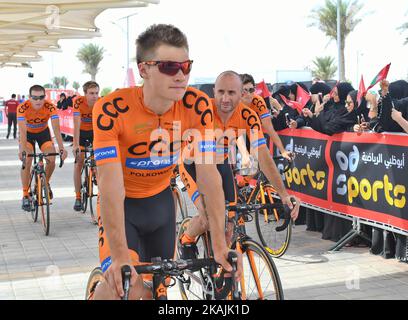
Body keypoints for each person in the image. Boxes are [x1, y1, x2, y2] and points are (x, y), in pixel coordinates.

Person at [91, 24, 242, 300]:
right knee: (125, 287)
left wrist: (220, 245)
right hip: (123, 207)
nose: (181, 75)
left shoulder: (197, 105)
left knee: (158, 295)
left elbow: (209, 175)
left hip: (161, 205)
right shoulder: (111, 109)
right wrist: (121, 256)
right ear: (144, 69)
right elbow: (110, 186)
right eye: (170, 67)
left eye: (186, 66)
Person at [179, 71, 300, 258]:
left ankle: (222, 271)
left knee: (231, 220)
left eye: (231, 93)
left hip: (220, 163)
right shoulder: (204, 111)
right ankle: (186, 239)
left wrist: (283, 195)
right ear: (214, 91)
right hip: (193, 165)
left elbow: (264, 157)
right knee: (210, 217)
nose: (225, 99)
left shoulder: (248, 116)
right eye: (221, 92)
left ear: (240, 94)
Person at [17, 85, 68, 211]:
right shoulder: (22, 107)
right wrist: (22, 150)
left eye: (41, 97)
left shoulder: (50, 106)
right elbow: (22, 131)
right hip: (27, 134)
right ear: (30, 98)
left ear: (44, 97)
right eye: (35, 98)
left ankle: (45, 183)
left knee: (51, 159)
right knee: (27, 160)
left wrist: (61, 148)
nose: (38, 100)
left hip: (43, 133)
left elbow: (56, 128)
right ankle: (25, 194)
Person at [240, 74, 292, 161]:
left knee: (264, 161)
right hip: (227, 131)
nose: (248, 94)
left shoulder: (258, 101)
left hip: (248, 130)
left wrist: (283, 151)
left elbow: (270, 129)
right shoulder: (233, 101)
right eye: (245, 90)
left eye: (251, 90)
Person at [72, 81, 100, 211]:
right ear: (85, 94)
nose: (95, 96)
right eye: (91, 93)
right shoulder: (78, 102)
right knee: (79, 162)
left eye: (96, 93)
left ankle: (96, 175)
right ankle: (78, 197)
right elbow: (76, 124)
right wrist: (76, 144)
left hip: (95, 133)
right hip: (81, 133)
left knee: (100, 162)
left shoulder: (101, 102)